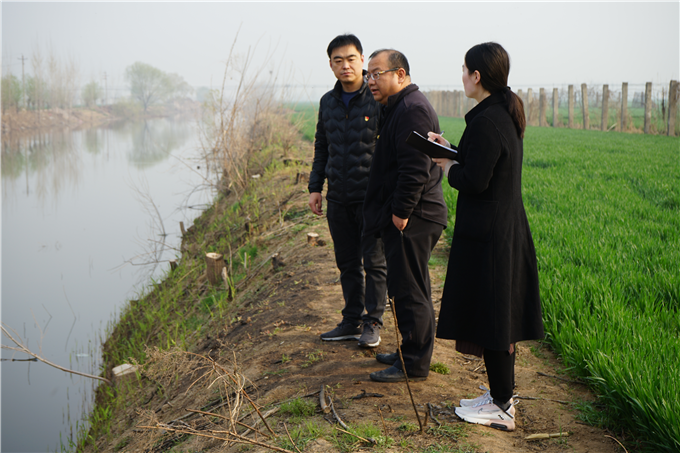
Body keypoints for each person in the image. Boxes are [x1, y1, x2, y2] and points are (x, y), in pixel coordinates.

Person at [429, 42, 544, 432]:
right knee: (498, 313)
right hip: (501, 228)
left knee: (496, 317)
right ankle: (499, 396)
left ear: (477, 76)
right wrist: (452, 150)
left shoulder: (488, 120)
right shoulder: (500, 113)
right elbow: (483, 163)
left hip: (491, 235)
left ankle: (502, 406)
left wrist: (446, 165)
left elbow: (474, 180)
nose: (461, 76)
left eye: (464, 70)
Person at [362, 49, 448, 382]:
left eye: (377, 73)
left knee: (410, 291)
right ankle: (409, 351)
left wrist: (400, 212)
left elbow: (415, 168)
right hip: (412, 214)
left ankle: (413, 363)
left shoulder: (412, 110)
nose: (371, 81)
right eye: (368, 75)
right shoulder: (398, 107)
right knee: (410, 287)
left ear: (400, 74)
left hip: (414, 216)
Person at [309, 34, 388, 348]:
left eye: (351, 58)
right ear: (330, 64)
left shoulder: (377, 98)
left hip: (370, 198)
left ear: (362, 60)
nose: (345, 65)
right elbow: (322, 146)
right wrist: (315, 187)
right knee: (347, 263)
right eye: (338, 60)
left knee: (375, 263)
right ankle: (351, 319)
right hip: (338, 198)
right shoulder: (327, 102)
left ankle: (373, 322)